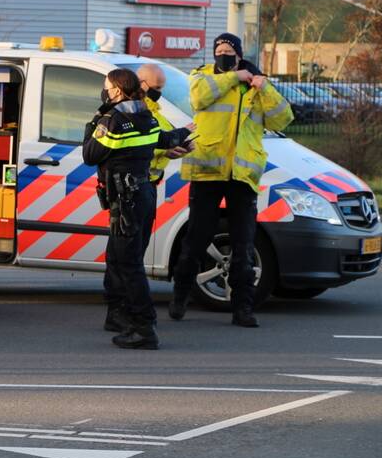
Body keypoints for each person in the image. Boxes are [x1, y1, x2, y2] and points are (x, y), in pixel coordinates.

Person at [171, 33, 293, 328]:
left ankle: (243, 308)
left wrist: (264, 88)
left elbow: (282, 119)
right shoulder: (203, 77)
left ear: (239, 54)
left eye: (229, 50)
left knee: (243, 244)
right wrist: (233, 76)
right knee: (196, 238)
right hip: (207, 170)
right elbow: (199, 98)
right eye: (219, 50)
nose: (223, 54)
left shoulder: (255, 86)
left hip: (242, 175)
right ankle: (180, 296)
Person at [84, 69, 191, 349]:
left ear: (117, 91)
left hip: (126, 199)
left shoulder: (114, 119)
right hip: (143, 193)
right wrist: (182, 134)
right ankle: (124, 318)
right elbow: (161, 140)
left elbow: (89, 154)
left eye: (107, 87)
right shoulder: (145, 115)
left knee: (128, 264)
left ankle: (144, 327)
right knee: (122, 260)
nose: (104, 91)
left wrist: (97, 119)